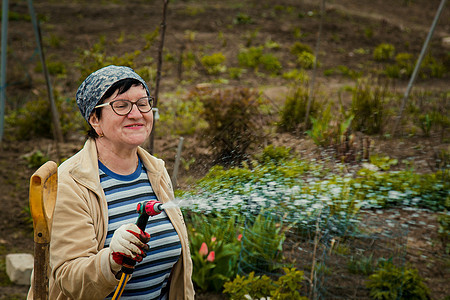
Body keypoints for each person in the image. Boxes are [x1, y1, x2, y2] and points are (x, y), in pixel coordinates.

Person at [28, 65, 194, 300]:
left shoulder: (156, 170)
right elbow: (70, 280)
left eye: (143, 103)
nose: (137, 114)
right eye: (122, 105)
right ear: (95, 119)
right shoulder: (71, 183)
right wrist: (111, 258)